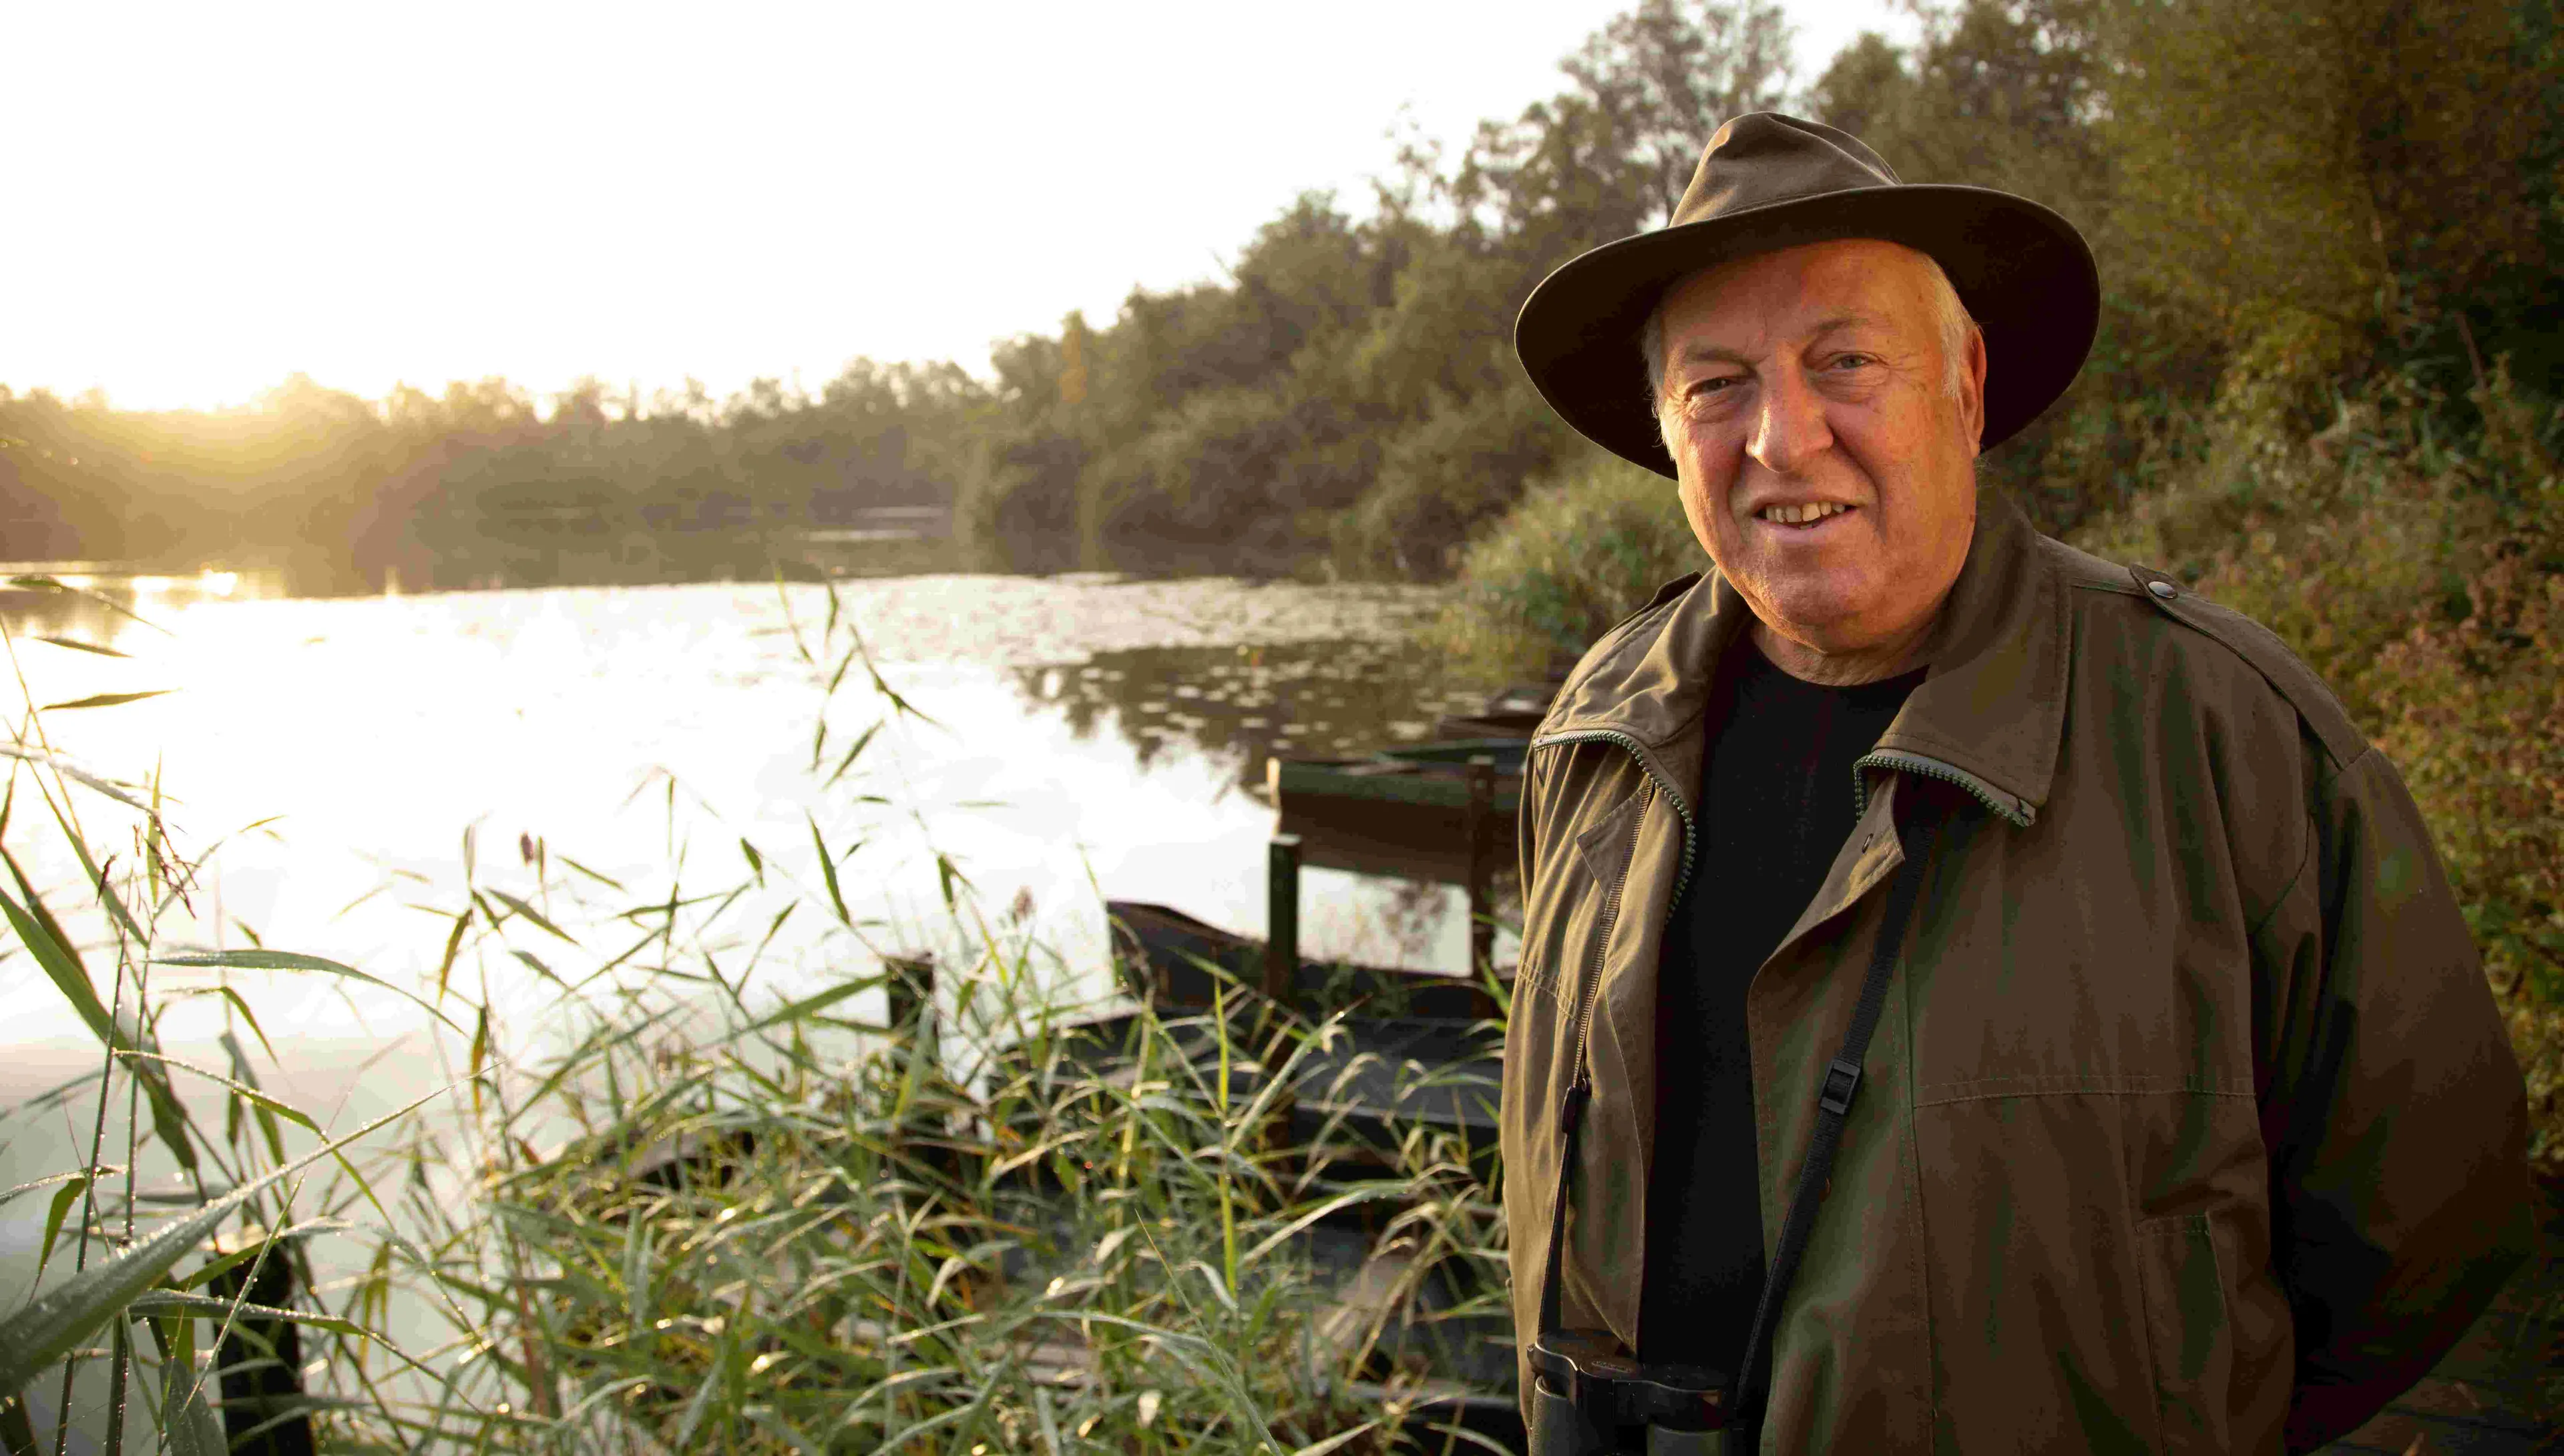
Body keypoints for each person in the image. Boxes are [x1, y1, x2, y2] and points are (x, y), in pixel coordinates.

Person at [1498, 112, 2533, 1454]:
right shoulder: (1599, 730)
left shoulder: (2226, 735)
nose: (1783, 440)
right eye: (1718, 387)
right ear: (1666, 428)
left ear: (1968, 387)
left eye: (1846, 363)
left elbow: (2434, 1216)